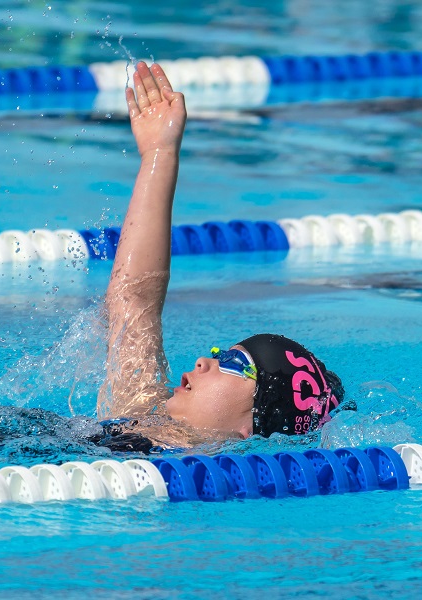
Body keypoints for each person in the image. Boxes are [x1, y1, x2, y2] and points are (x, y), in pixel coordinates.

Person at [93, 62, 346, 452]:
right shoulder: (139, 412)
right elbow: (134, 299)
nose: (201, 362)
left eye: (231, 364)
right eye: (220, 355)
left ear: (253, 424)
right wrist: (159, 154)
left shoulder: (184, 479)